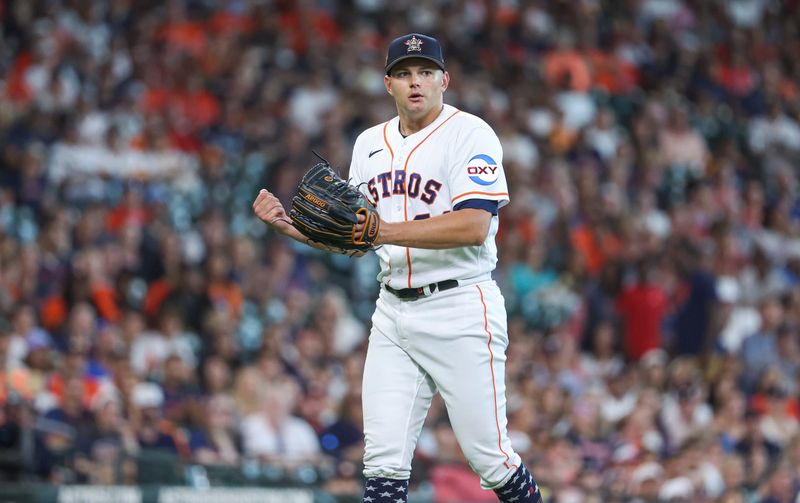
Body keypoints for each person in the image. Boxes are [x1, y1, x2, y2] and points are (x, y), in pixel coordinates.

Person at [253, 33, 541, 503]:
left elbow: (472, 225)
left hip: (461, 306)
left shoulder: (470, 133)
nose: (416, 82)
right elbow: (356, 238)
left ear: (444, 80)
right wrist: (293, 230)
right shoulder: (369, 143)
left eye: (426, 72)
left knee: (491, 459)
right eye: (404, 73)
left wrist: (382, 232)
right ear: (388, 83)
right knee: (382, 467)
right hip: (393, 312)